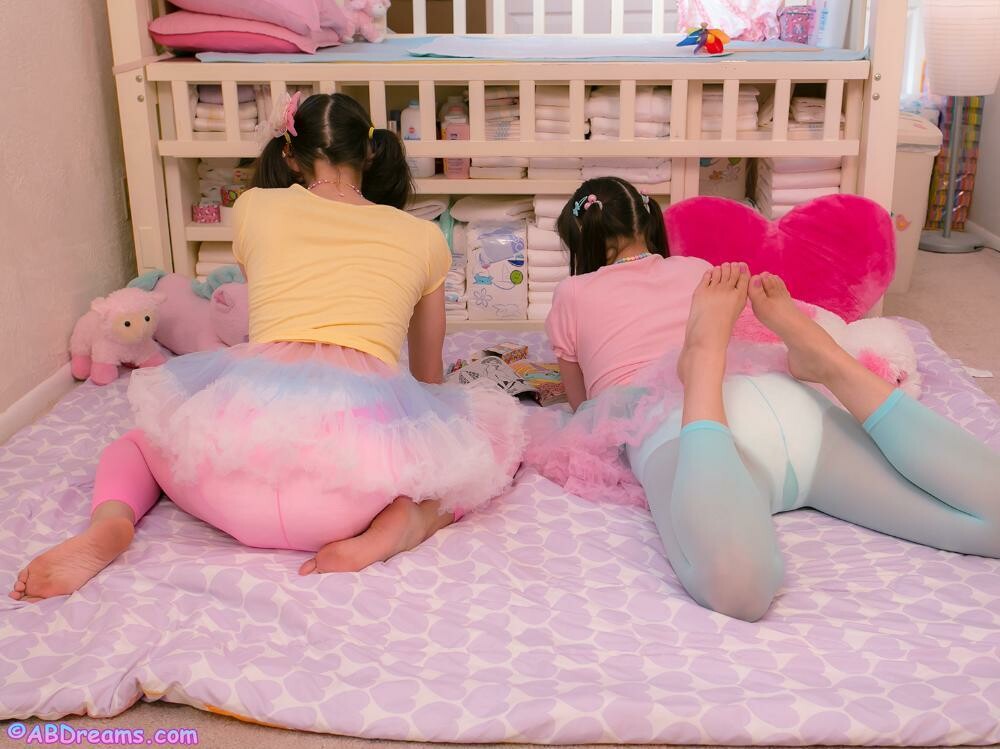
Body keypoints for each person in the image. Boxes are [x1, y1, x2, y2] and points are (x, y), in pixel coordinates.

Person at [10, 92, 524, 602]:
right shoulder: (423, 238)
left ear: (289, 154)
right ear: (370, 151)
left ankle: (111, 522)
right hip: (345, 503)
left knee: (139, 445)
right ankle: (406, 521)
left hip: (227, 482)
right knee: (491, 441)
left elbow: (270, 300)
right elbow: (429, 377)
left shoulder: (254, 208)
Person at [535, 176, 1000, 621]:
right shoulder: (695, 269)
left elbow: (584, 407)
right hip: (784, 402)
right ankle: (828, 360)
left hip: (681, 426)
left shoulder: (571, 293)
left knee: (737, 588)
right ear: (648, 221)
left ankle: (702, 361)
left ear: (581, 242)